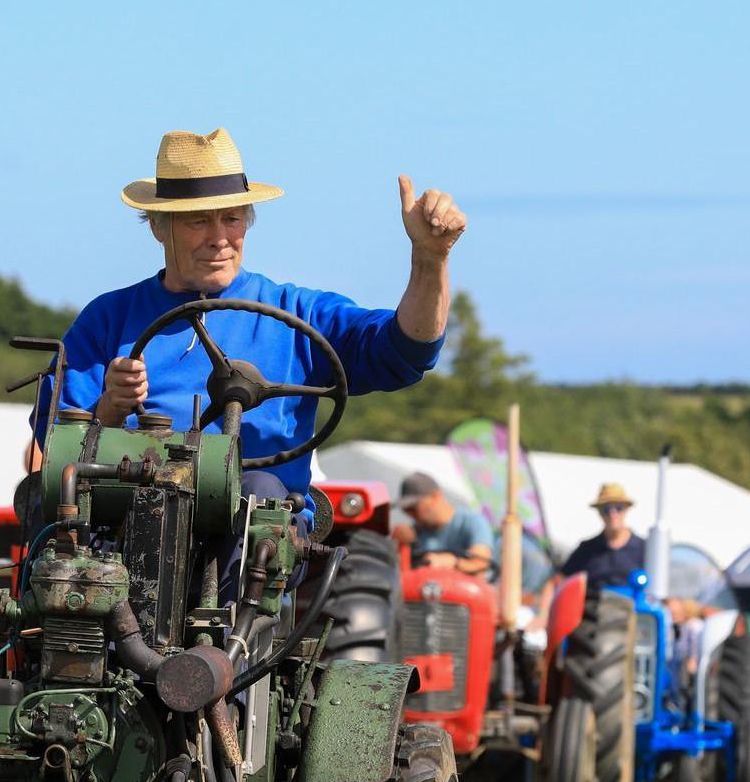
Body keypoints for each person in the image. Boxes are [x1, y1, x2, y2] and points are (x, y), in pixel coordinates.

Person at [37, 128, 466, 506]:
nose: (219, 238)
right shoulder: (108, 320)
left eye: (232, 218)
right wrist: (110, 409)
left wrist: (430, 260)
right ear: (157, 226)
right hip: (129, 511)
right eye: (198, 221)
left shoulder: (297, 314)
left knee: (258, 491)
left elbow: (408, 349)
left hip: (257, 523)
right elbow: (57, 449)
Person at [389, 472, 493, 575]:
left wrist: (454, 562)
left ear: (435, 496)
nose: (410, 514)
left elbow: (481, 564)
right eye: (405, 509)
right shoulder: (415, 533)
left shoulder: (472, 521)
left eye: (413, 507)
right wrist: (400, 546)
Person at [559, 483, 647, 588]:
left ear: (626, 509)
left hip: (634, 603)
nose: (612, 514)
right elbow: (558, 580)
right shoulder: (587, 549)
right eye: (606, 509)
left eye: (618, 508)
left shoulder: (645, 549)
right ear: (599, 512)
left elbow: (667, 594)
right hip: (595, 603)